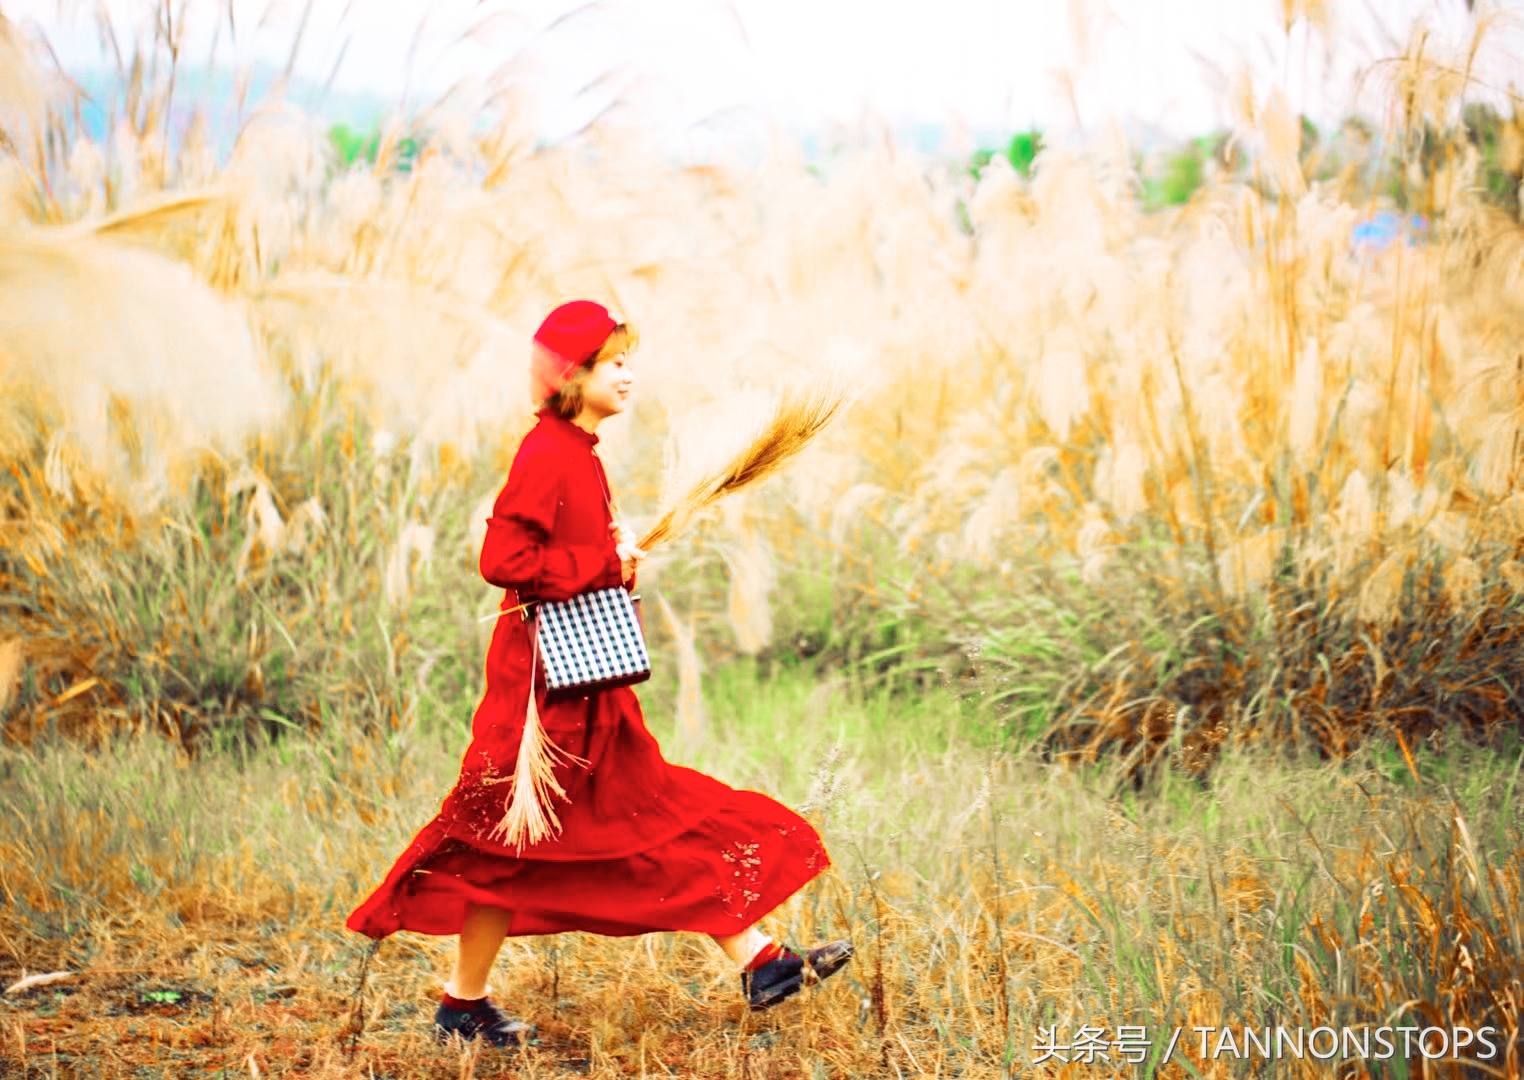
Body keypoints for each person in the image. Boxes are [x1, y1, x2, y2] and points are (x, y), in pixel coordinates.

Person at [345, 299, 851, 1048]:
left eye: (627, 359)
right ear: (571, 377)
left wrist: (614, 565)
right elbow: (503, 563)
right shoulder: (547, 453)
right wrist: (601, 565)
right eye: (614, 362)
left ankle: (754, 961)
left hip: (583, 686)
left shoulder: (578, 451)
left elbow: (562, 560)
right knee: (521, 836)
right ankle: (755, 961)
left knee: (598, 822)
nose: (629, 373)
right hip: (540, 703)